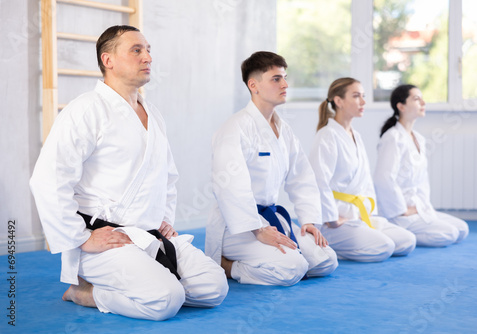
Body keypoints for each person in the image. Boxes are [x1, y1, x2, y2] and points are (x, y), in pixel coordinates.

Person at [30, 25, 228, 321]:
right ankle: (85, 292)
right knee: (166, 300)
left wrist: (164, 219)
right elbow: (48, 179)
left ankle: (142, 282)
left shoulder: (153, 113)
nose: (147, 57)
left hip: (148, 234)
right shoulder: (85, 110)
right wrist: (81, 238)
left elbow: (167, 176)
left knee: (214, 289)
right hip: (106, 239)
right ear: (108, 60)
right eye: (137, 50)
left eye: (148, 50)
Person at [205, 51, 338, 286]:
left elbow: (301, 177)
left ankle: (270, 255)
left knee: (325, 260)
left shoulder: (283, 129)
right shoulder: (235, 128)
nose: (285, 84)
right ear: (253, 85)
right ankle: (227, 266)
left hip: (271, 217)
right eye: (276, 79)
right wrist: (257, 230)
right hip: (238, 226)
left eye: (285, 77)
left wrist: (308, 220)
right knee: (292, 269)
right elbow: (229, 187)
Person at [309, 77, 416, 262]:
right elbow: (318, 181)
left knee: (407, 241)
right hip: (334, 220)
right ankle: (331, 246)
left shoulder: (356, 135)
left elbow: (365, 180)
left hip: (357, 213)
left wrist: (368, 212)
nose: (363, 102)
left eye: (363, 96)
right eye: (357, 96)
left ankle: (357, 241)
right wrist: (332, 219)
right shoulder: (327, 135)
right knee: (385, 246)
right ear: (339, 101)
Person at [373, 84, 468, 247]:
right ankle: (398, 233)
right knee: (449, 233)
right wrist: (402, 209)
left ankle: (407, 232)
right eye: (416, 99)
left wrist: (423, 206)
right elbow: (383, 178)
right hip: (399, 213)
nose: (423, 103)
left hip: (417, 208)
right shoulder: (393, 138)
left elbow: (422, 180)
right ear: (401, 106)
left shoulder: (418, 138)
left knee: (461, 229)